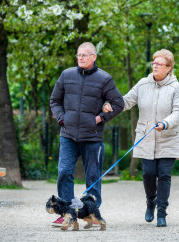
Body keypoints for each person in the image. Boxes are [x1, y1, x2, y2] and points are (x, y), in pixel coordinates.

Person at [103, 49, 179, 227]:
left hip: (169, 138)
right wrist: (111, 105)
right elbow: (126, 101)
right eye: (154, 63)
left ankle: (162, 212)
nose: (155, 66)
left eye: (159, 64)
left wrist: (165, 123)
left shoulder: (175, 88)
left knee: (164, 174)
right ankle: (151, 202)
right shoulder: (142, 84)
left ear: (169, 68)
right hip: (146, 137)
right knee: (148, 174)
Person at [49, 42, 124, 226]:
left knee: (93, 176)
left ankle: (91, 213)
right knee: (64, 172)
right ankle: (66, 212)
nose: (81, 58)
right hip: (68, 135)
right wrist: (62, 119)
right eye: (79, 55)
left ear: (94, 57)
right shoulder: (67, 75)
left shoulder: (104, 79)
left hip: (92, 137)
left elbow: (118, 104)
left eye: (85, 55)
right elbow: (55, 100)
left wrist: (99, 119)